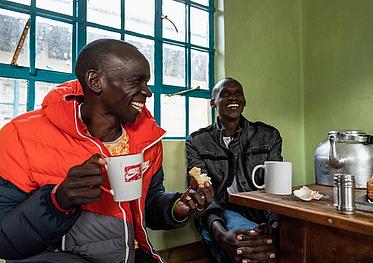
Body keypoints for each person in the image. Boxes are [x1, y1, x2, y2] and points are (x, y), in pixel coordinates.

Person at [0, 39, 213, 263]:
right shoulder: (20, 136)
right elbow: (4, 242)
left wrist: (177, 207)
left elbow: (147, 206)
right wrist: (57, 201)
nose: (148, 93)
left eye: (147, 82)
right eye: (137, 81)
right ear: (95, 81)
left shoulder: (147, 140)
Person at [185, 77, 283, 263]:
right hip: (223, 212)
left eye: (238, 93)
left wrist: (275, 225)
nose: (233, 98)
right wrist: (220, 233)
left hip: (264, 211)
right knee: (245, 245)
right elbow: (202, 194)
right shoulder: (197, 141)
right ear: (213, 102)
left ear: (244, 101)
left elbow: (276, 188)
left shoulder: (268, 135)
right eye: (225, 94)